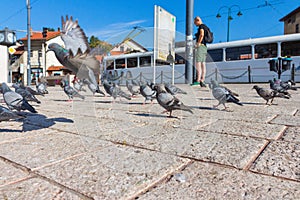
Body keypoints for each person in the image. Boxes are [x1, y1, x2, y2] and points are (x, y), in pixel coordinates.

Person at [193, 16, 207, 87]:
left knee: (198, 63)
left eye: (195, 23)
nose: (195, 25)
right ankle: (202, 79)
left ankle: (198, 80)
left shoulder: (201, 27)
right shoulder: (206, 26)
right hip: (204, 47)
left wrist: (198, 43)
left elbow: (201, 34)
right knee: (203, 64)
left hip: (200, 46)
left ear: (197, 20)